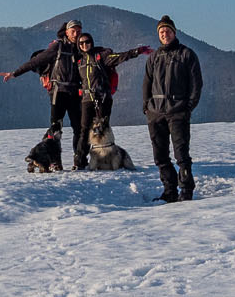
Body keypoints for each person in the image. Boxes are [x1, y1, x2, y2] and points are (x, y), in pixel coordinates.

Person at [0, 19, 90, 169]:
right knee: (56, 129)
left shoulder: (81, 48)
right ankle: (56, 162)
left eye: (78, 31)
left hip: (75, 93)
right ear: (66, 32)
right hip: (58, 93)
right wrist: (15, 73)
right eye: (73, 31)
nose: (76, 34)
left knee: (79, 129)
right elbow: (35, 62)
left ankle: (79, 161)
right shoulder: (58, 46)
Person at [141, 15, 202, 201]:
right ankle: (170, 190)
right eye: (161, 31)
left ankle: (186, 190)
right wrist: (147, 107)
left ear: (174, 32)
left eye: (167, 31)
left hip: (178, 111)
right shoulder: (154, 57)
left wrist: (188, 106)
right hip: (156, 113)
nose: (164, 34)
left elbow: (196, 84)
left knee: (181, 154)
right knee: (160, 156)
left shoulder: (187, 54)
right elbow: (147, 83)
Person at [74, 31, 153, 138]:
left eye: (87, 42)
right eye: (81, 43)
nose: (84, 45)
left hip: (102, 98)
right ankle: (80, 155)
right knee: (84, 130)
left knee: (103, 129)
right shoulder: (79, 62)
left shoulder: (100, 57)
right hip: (86, 99)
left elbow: (120, 57)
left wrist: (137, 51)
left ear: (91, 42)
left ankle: (105, 154)